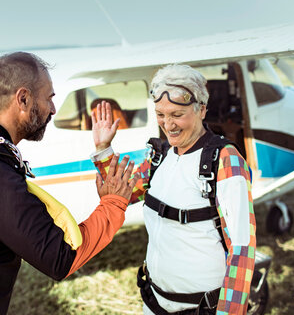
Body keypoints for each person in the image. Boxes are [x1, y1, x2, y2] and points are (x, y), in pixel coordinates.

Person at [0, 52, 139, 314]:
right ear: (23, 99)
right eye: (49, 98)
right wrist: (113, 204)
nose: (54, 109)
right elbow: (61, 257)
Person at [90, 64, 256, 315]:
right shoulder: (159, 157)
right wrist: (104, 148)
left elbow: (242, 249)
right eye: (160, 114)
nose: (168, 125)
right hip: (153, 303)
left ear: (201, 109)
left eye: (177, 114)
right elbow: (123, 193)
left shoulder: (225, 161)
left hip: (200, 309)